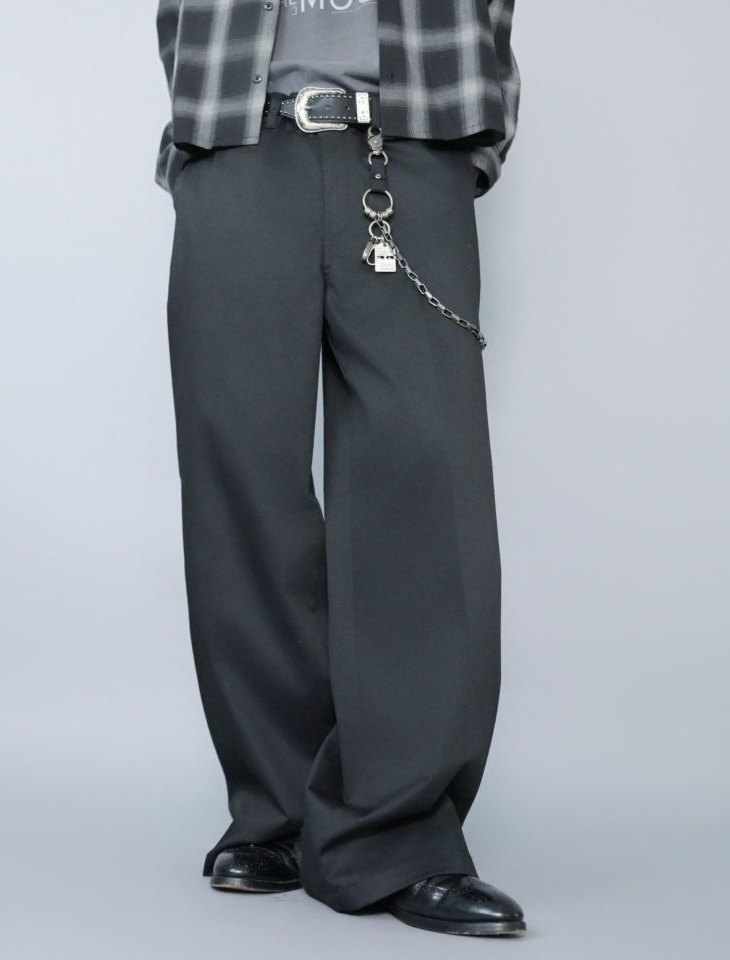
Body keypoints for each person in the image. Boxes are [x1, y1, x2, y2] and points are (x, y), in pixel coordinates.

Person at [155, 0, 523, 938]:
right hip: (241, 148)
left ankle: (399, 834)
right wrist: (201, 142)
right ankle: (278, 809)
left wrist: (463, 147)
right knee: (241, 478)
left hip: (409, 143)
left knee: (422, 478)